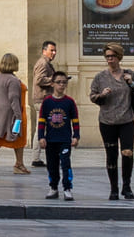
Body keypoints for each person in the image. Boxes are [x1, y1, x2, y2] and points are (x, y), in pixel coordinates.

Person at [89, 45, 134, 201]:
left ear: (119, 57)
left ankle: (126, 186)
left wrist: (132, 83)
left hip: (126, 120)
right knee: (111, 155)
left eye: (112, 56)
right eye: (107, 56)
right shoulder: (100, 77)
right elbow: (92, 97)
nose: (109, 59)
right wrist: (102, 94)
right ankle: (114, 188)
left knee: (127, 152)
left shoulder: (129, 74)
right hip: (107, 121)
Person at [36, 70, 80, 201]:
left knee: (65, 163)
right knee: (52, 164)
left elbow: (75, 120)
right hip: (51, 139)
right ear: (52, 84)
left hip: (65, 139)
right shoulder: (47, 102)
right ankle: (53, 187)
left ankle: (67, 188)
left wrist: (76, 136)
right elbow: (42, 120)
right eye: (59, 82)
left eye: (64, 82)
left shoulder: (70, 102)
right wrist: (41, 137)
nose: (61, 85)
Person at [29, 42, 58, 167]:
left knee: (42, 128)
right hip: (42, 101)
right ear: (44, 51)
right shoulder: (43, 63)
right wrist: (54, 80)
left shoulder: (46, 63)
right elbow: (39, 80)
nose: (54, 53)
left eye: (55, 50)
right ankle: (37, 157)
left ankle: (37, 157)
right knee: (42, 129)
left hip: (43, 100)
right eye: (51, 50)